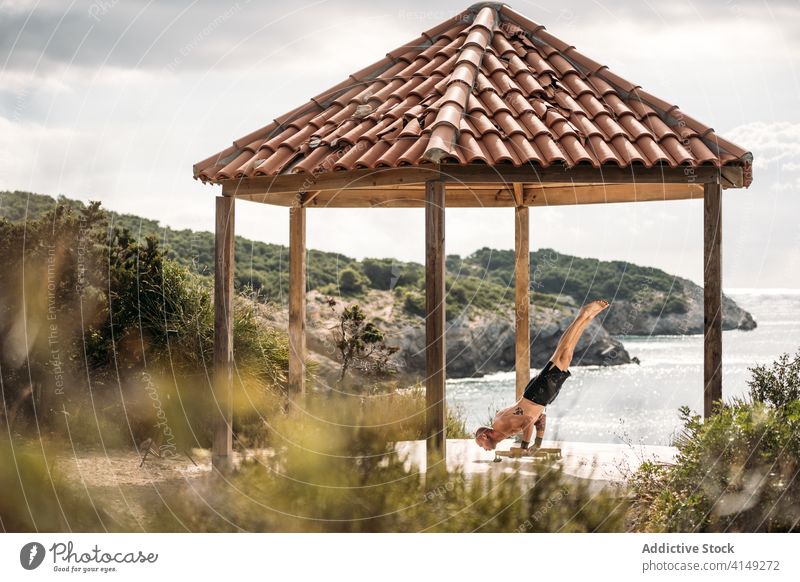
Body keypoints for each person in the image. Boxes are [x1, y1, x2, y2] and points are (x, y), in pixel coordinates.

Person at [474, 299, 610, 452]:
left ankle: (583, 314)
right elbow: (539, 419)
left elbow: (527, 420)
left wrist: (524, 447)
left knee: (561, 352)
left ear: (484, 436)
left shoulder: (500, 426)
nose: (483, 448)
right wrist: (537, 443)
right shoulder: (505, 432)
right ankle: (586, 318)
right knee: (566, 355)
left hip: (536, 394)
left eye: (480, 445)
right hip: (542, 398)